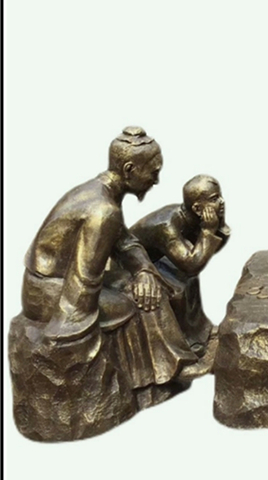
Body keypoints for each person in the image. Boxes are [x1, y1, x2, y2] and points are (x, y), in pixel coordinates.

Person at [12, 127, 205, 440]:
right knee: (142, 299)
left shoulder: (101, 193)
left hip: (56, 283)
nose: (156, 180)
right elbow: (84, 282)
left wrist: (144, 270)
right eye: (153, 172)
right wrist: (74, 337)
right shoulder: (103, 211)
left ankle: (170, 363)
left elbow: (124, 242)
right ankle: (165, 370)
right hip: (51, 295)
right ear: (129, 170)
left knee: (146, 282)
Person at [131, 175, 230, 354]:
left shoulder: (191, 216)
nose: (222, 201)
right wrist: (208, 231)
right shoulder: (167, 226)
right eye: (214, 199)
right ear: (197, 208)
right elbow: (192, 265)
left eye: (220, 196)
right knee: (178, 287)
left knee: (189, 279)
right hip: (131, 267)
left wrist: (218, 225)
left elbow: (205, 253)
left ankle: (198, 333)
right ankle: (185, 342)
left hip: (156, 259)